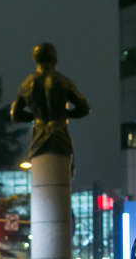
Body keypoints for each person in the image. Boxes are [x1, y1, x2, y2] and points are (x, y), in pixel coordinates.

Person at [10, 42, 90, 174]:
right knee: (62, 172)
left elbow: (15, 115)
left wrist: (35, 116)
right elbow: (84, 109)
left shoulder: (27, 84)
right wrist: (65, 114)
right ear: (54, 59)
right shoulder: (63, 82)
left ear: (35, 59)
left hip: (39, 133)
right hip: (60, 132)